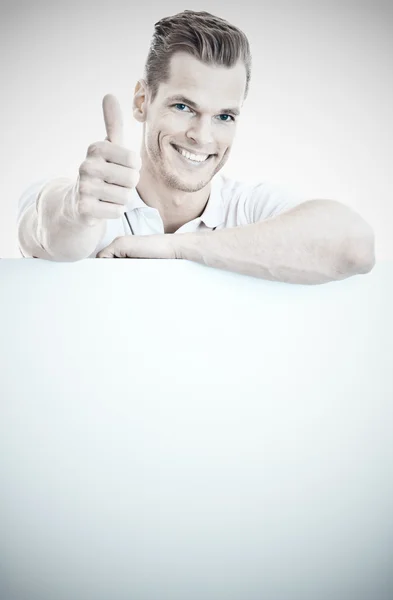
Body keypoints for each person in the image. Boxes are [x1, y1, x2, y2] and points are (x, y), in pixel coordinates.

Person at [17, 10, 375, 284]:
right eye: (183, 107)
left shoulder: (247, 209)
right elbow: (53, 233)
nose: (202, 137)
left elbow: (354, 247)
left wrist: (176, 248)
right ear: (142, 101)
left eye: (224, 116)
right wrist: (75, 212)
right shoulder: (89, 200)